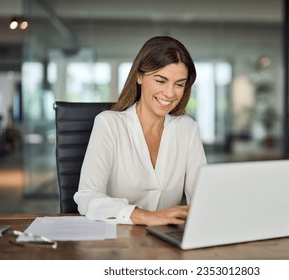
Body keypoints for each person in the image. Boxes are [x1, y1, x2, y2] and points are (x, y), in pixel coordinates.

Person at [74, 36, 207, 226]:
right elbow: (87, 198)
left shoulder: (187, 129)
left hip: (167, 243)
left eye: (179, 84)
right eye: (161, 81)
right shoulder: (109, 124)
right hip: (117, 241)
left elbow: (201, 199)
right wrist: (145, 216)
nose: (170, 93)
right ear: (139, 76)